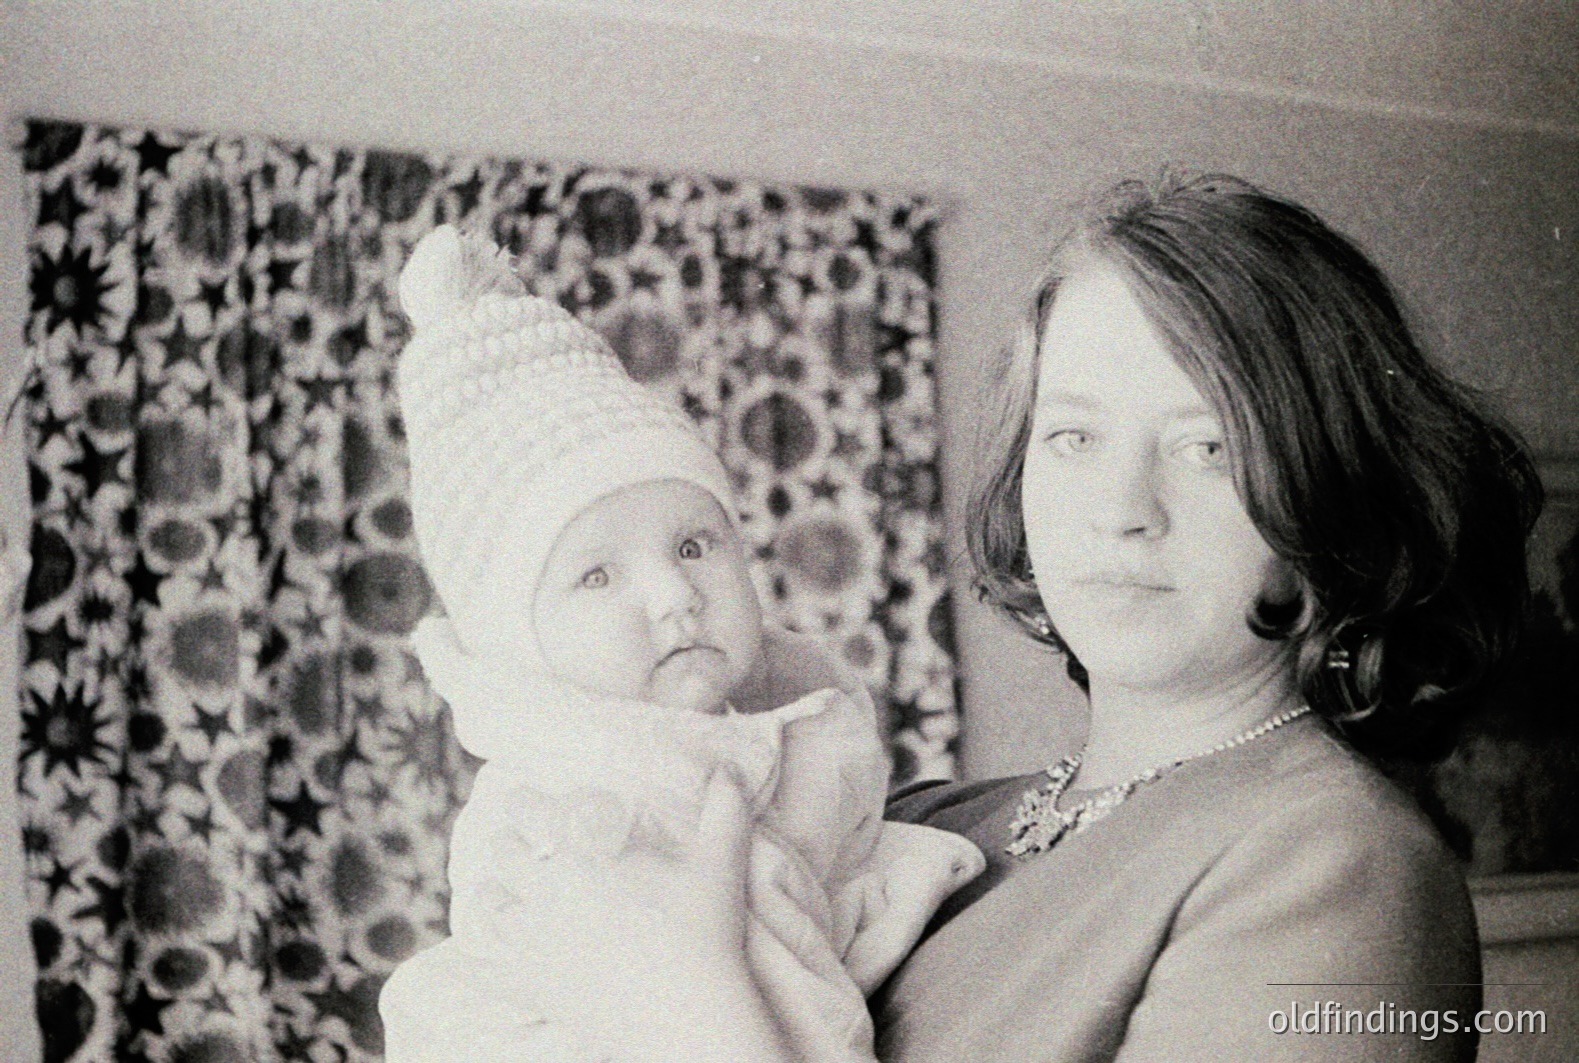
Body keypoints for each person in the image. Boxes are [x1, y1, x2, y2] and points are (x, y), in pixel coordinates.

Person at [529, 172, 1541, 1062]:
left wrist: (698, 1016)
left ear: (1332, 496)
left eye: (1206, 449)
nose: (1121, 511)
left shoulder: (1345, 865)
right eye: (1072, 438)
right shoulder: (908, 823)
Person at [374, 226, 986, 1063]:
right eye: (595, 575)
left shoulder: (782, 744)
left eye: (694, 545)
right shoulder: (567, 824)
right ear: (514, 645)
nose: (673, 596)